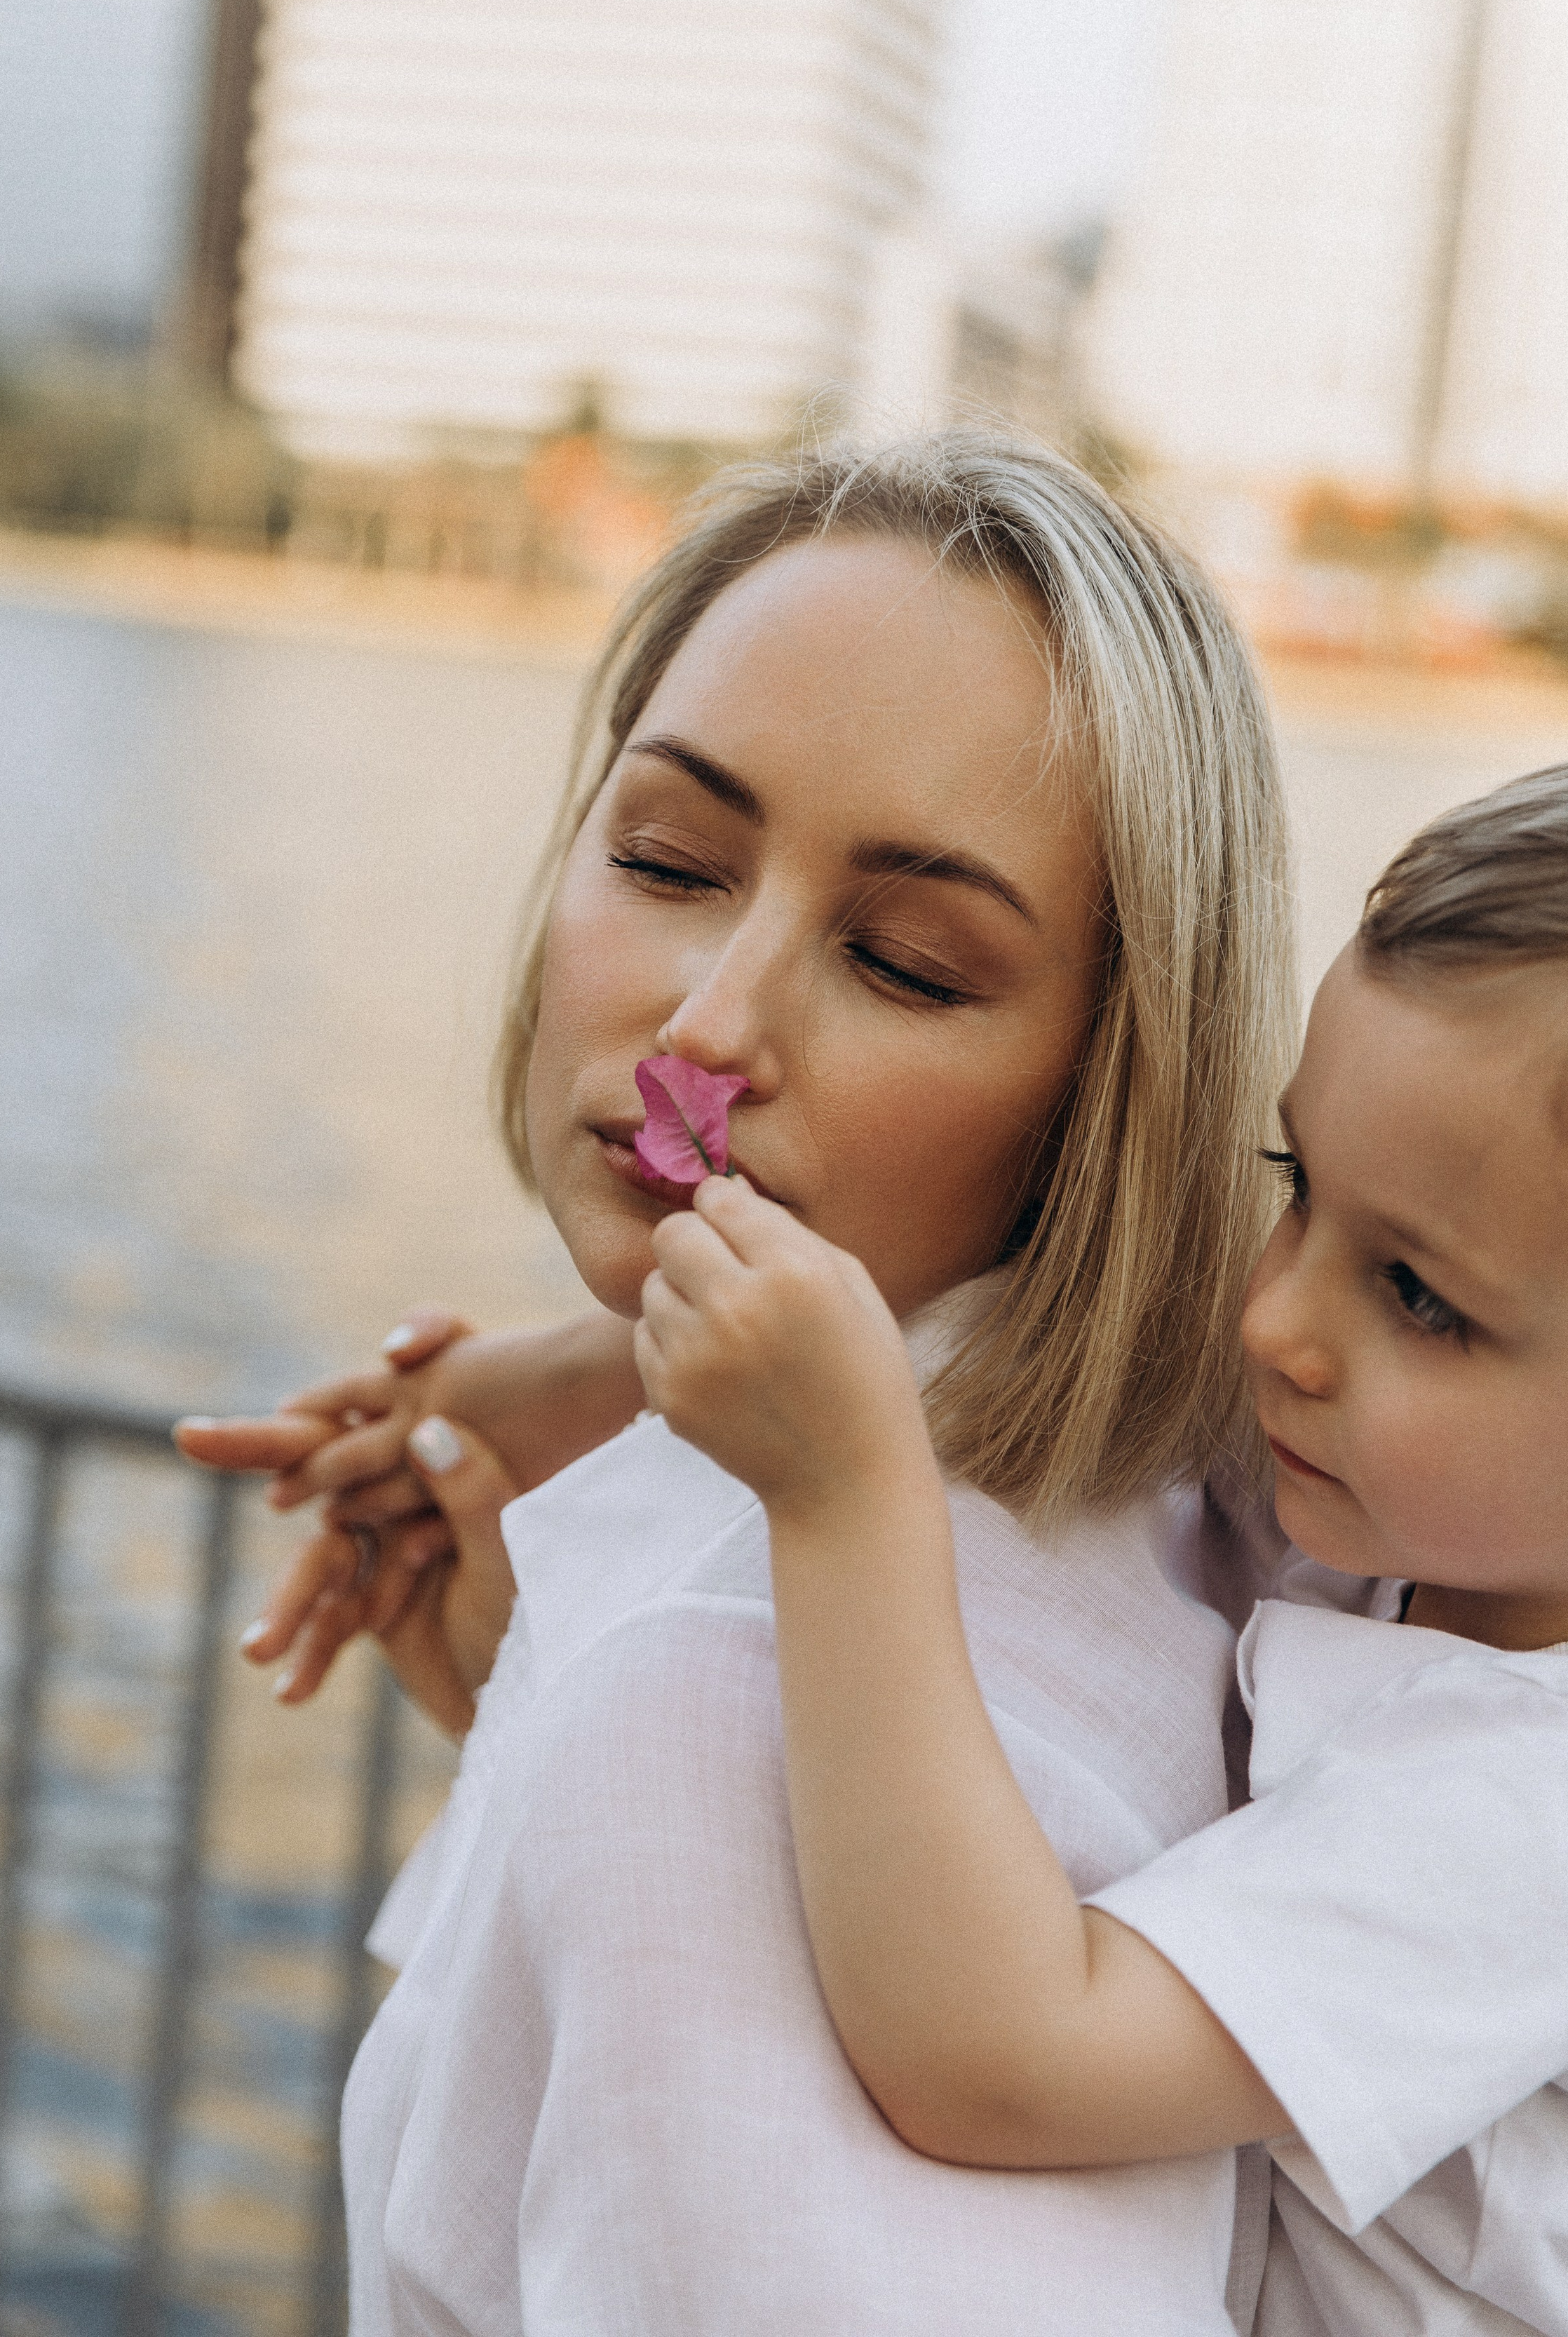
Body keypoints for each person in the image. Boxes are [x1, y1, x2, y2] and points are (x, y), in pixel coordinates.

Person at [180, 432, 1299, 2333]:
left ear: (1115, 1087)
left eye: (906, 963)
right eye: (670, 860)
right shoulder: (1169, 1536)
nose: (707, 1032)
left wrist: (632, 1749)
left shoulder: (740, 1689)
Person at [633, 754, 1568, 2337]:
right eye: (1297, 1190)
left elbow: (998, 2060)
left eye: (1419, 1298)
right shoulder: (1470, 1528)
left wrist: (844, 1501)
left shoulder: (1555, 1817)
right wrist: (549, 1377)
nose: (1275, 1317)